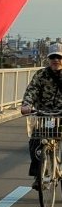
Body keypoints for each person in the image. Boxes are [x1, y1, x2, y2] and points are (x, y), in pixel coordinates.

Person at [21, 42, 62, 187]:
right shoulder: (41, 74)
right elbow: (31, 90)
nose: (56, 60)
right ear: (48, 59)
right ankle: (39, 175)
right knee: (35, 141)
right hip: (44, 115)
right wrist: (26, 105)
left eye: (59, 57)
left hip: (61, 116)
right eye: (53, 57)